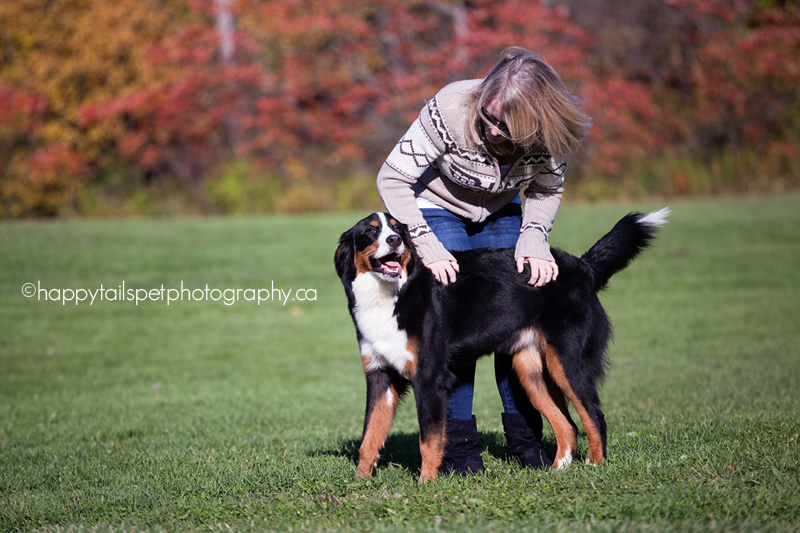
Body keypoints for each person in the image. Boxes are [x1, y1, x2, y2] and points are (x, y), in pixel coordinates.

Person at [376, 46, 591, 475]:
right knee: (448, 331)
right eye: (490, 118)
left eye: (507, 126)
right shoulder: (452, 107)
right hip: (434, 209)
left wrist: (533, 236)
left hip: (501, 211)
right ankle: (457, 450)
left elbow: (546, 190)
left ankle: (528, 442)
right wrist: (425, 241)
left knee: (518, 320)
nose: (494, 131)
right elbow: (393, 177)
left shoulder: (552, 134)